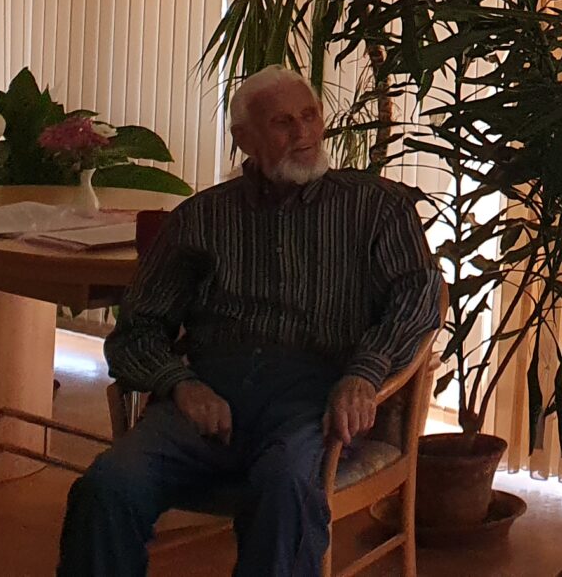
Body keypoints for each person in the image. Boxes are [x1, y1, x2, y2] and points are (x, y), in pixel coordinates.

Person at [58, 67, 442, 577]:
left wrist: (364, 374)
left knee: (286, 488)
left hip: (313, 398)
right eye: (283, 122)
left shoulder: (376, 207)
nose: (304, 132)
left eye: (310, 116)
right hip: (207, 397)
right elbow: (138, 328)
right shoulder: (201, 218)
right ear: (244, 138)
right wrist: (180, 384)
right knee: (107, 486)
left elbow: (419, 297)